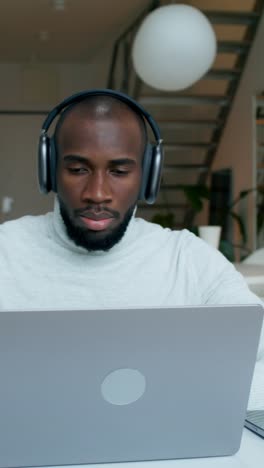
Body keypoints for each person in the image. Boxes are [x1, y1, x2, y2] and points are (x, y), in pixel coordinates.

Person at [0, 89, 263, 409]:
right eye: (78, 169)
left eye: (119, 171)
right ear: (50, 169)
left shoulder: (189, 260)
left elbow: (255, 350)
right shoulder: (6, 251)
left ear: (148, 175)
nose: (97, 193)